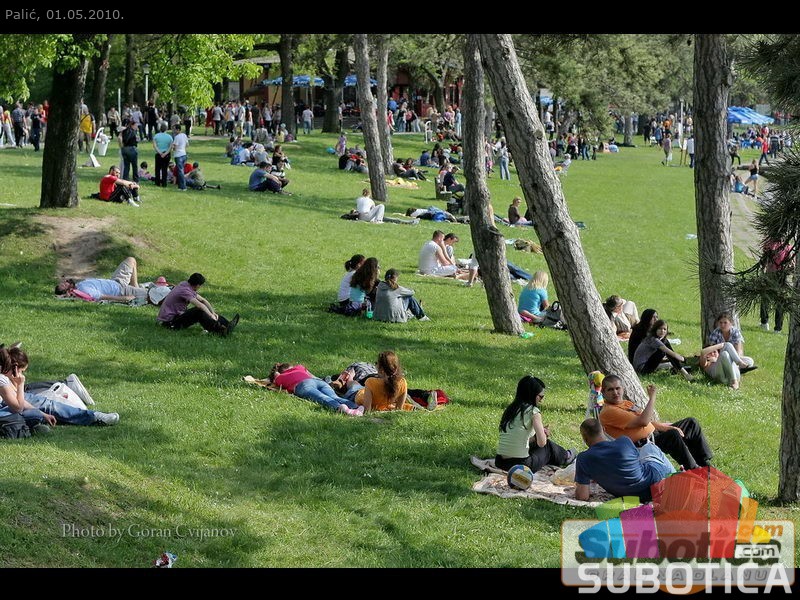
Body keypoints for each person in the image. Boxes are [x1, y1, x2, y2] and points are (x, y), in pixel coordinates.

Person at [598, 375, 713, 471]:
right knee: (672, 436)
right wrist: (652, 397)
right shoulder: (609, 411)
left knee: (691, 423)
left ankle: (704, 463)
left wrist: (665, 427)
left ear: (623, 389)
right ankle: (694, 469)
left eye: (617, 388)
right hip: (642, 446)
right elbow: (643, 421)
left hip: (653, 435)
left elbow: (649, 422)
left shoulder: (626, 403)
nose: (615, 392)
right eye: (610, 390)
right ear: (603, 392)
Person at [0, 346, 119, 433]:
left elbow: (20, 401)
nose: (21, 375)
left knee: (45, 405)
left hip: (7, 405)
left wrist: (43, 414)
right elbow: (18, 407)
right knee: (27, 414)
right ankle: (33, 426)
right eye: (21, 371)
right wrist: (20, 384)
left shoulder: (4, 378)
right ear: (15, 368)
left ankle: (93, 416)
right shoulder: (2, 379)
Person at [574, 417, 674, 502]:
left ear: (585, 439)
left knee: (647, 452)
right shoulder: (624, 441)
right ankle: (677, 479)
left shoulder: (584, 459)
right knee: (649, 447)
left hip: (631, 497)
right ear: (603, 430)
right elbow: (637, 462)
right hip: (654, 482)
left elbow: (582, 497)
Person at [495, 375, 576, 474]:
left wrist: (535, 437)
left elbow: (519, 439)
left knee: (536, 445)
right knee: (547, 446)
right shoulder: (533, 411)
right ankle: (566, 456)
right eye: (541, 396)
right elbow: (542, 443)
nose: (542, 400)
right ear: (532, 395)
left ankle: (564, 455)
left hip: (500, 462)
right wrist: (544, 434)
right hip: (522, 465)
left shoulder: (510, 410)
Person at [157, 272, 239, 336]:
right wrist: (210, 315)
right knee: (199, 311)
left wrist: (213, 313)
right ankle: (219, 331)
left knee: (204, 311)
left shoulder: (186, 284)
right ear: (197, 285)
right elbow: (200, 305)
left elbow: (203, 300)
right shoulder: (184, 291)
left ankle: (227, 324)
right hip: (169, 323)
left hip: (176, 317)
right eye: (200, 285)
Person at [268, 363, 363, 416]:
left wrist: (276, 374)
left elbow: (275, 378)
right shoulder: (299, 367)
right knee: (334, 396)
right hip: (317, 382)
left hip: (302, 385)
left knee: (322, 398)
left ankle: (341, 409)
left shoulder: (281, 377)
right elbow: (312, 375)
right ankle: (356, 406)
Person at [336, 351, 408, 412]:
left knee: (352, 384)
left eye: (376, 363)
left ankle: (348, 377)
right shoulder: (403, 382)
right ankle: (347, 377)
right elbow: (398, 409)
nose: (375, 365)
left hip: (357, 395)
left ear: (381, 370)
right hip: (366, 393)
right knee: (356, 385)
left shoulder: (371, 382)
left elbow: (367, 410)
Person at [54, 256, 148, 303]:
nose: (65, 282)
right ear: (68, 291)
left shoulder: (79, 285)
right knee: (151, 294)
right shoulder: (84, 290)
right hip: (121, 291)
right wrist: (124, 298)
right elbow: (102, 297)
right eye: (64, 285)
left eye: (63, 282)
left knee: (131, 260)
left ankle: (135, 286)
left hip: (116, 280)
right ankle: (137, 289)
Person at [760, 240, 795, 333]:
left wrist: (762, 272)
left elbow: (764, 261)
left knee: (765, 299)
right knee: (780, 302)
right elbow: (792, 264)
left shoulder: (769, 243)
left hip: (770, 274)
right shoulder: (788, 247)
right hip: (782, 276)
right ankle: (778, 328)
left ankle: (764, 322)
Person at [152, 123, 173, 187]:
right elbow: (171, 147)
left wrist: (160, 153)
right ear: (166, 129)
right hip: (166, 154)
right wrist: (165, 153)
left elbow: (154, 146)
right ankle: (164, 183)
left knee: (157, 169)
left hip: (158, 154)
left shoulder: (156, 136)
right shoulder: (169, 137)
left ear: (160, 129)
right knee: (165, 169)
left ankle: (157, 182)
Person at [171, 124, 189, 191]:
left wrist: (173, 148)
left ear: (178, 130)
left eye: (174, 129)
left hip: (178, 155)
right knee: (181, 171)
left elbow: (175, 147)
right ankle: (180, 186)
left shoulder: (177, 137)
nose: (173, 131)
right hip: (184, 154)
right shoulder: (184, 135)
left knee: (180, 171)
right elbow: (187, 145)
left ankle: (183, 187)